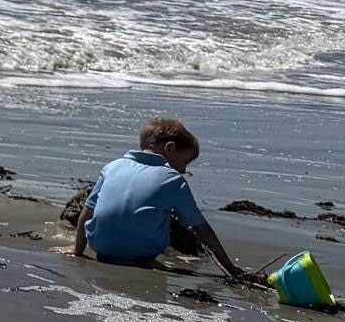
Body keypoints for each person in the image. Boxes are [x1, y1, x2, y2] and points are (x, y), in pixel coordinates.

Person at [73, 116, 257, 284]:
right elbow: (202, 229)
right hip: (141, 254)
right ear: (170, 148)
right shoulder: (172, 179)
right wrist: (230, 269)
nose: (184, 170)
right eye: (185, 161)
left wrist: (77, 250)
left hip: (101, 247)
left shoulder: (112, 167)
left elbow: (87, 212)